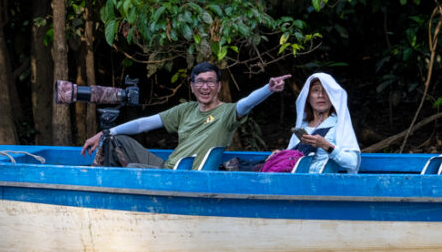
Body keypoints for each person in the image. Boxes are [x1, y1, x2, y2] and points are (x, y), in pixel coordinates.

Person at [84, 62, 290, 168]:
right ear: (192, 86)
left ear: (219, 86)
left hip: (184, 175)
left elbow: (246, 103)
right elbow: (145, 124)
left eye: (210, 82)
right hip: (167, 167)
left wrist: (268, 89)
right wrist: (103, 133)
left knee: (133, 170)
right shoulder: (186, 110)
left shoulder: (227, 113)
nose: (205, 87)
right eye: (199, 82)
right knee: (114, 140)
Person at [288, 73, 362, 174]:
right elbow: (291, 160)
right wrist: (280, 154)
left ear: (333, 96)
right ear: (308, 97)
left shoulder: (338, 125)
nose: (321, 95)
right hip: (297, 183)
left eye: (326, 90)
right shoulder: (303, 126)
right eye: (315, 90)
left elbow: (353, 163)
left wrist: (326, 146)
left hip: (324, 185)